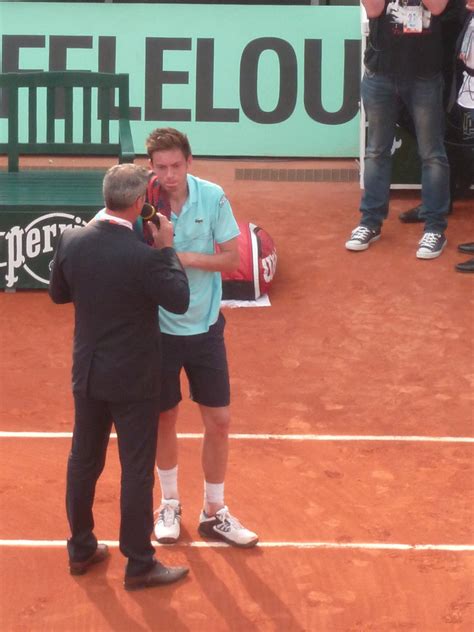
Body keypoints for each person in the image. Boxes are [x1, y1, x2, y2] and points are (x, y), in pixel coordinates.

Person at [49, 164, 191, 591]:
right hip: (133, 380)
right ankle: (140, 563)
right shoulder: (145, 257)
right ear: (138, 204)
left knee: (83, 461)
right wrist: (167, 249)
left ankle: (80, 549)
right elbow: (179, 300)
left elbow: (58, 294)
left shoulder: (72, 241)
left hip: (88, 375)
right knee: (135, 470)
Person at [144, 128, 258, 548]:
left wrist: (180, 256)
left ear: (189, 163)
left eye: (176, 166)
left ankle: (214, 510)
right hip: (157, 330)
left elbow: (232, 257)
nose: (169, 175)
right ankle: (169, 502)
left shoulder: (212, 196)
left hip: (206, 327)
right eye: (161, 167)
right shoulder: (142, 202)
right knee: (164, 417)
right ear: (151, 167)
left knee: (220, 421)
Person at [347, 0, 451, 259]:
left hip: (425, 74)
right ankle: (370, 222)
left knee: (432, 154)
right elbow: (373, 10)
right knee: (375, 152)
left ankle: (435, 227)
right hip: (380, 72)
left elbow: (437, 7)